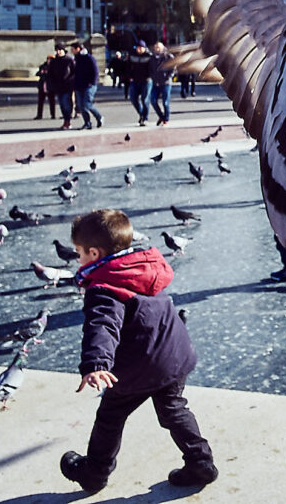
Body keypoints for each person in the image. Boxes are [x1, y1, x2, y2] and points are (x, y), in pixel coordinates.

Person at [60, 209, 217, 492]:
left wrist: (97, 364)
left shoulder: (104, 285)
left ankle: (94, 473)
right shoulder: (143, 267)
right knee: (173, 410)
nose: (78, 258)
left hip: (137, 366)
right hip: (173, 356)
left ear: (94, 253)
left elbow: (103, 325)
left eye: (79, 253)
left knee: (110, 417)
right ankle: (200, 462)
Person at [70, 42, 103, 129]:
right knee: (81, 106)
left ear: (78, 49)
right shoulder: (75, 59)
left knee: (87, 104)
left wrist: (92, 83)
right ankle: (87, 123)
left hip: (89, 85)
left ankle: (99, 117)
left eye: (72, 49)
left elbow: (95, 71)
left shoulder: (89, 58)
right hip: (78, 85)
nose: (71, 51)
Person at [46, 43, 76, 129]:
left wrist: (71, 81)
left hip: (67, 86)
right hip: (58, 87)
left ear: (64, 50)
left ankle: (67, 121)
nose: (58, 52)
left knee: (66, 103)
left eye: (60, 50)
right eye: (57, 50)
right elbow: (50, 74)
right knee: (62, 105)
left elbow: (74, 72)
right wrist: (51, 84)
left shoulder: (69, 60)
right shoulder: (54, 61)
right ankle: (66, 120)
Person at [149, 41, 175, 126]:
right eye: (155, 47)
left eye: (159, 47)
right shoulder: (152, 58)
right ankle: (161, 116)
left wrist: (169, 76)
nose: (157, 49)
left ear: (162, 48)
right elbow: (149, 69)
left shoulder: (168, 56)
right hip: (155, 83)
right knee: (153, 100)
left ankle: (166, 119)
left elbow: (173, 67)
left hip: (166, 82)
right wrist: (152, 76)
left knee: (165, 102)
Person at [126, 41, 152, 126]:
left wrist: (150, 76)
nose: (139, 49)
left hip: (146, 80)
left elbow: (153, 68)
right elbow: (128, 66)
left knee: (145, 100)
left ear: (144, 48)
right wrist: (129, 76)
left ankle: (145, 118)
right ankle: (141, 114)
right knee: (133, 98)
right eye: (138, 48)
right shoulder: (132, 55)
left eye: (141, 48)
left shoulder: (149, 56)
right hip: (135, 80)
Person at [35, 54, 56, 120]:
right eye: (48, 59)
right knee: (40, 101)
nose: (49, 61)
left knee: (52, 101)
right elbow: (37, 73)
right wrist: (41, 72)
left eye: (51, 60)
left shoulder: (54, 67)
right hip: (42, 85)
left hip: (50, 86)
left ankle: (53, 114)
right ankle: (39, 115)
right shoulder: (43, 66)